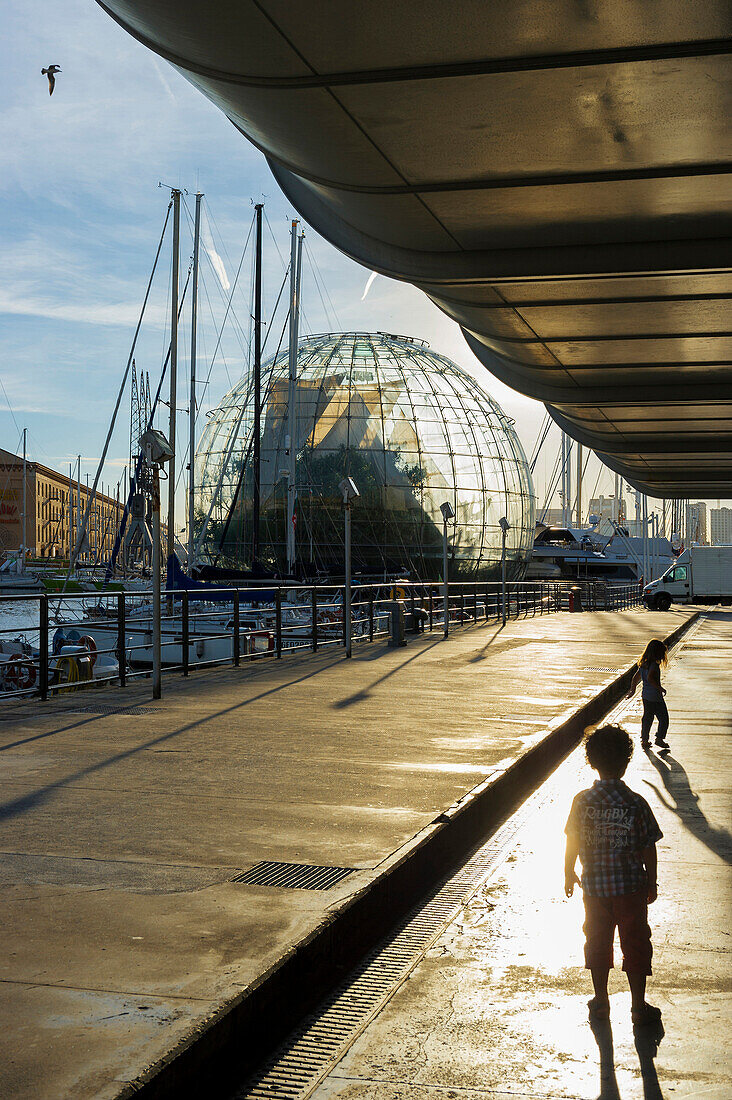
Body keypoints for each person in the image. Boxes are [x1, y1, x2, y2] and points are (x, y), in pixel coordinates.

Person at [565, 725, 663, 1025]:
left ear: (591, 761)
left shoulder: (582, 801)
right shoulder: (636, 803)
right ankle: (637, 1004)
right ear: (626, 762)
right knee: (634, 941)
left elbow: (572, 841)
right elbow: (648, 847)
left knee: (596, 939)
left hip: (594, 887)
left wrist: (568, 872)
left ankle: (600, 999)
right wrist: (651, 880)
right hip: (631, 888)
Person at [628, 639, 669, 749]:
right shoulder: (654, 665)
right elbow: (650, 678)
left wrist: (632, 690)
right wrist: (660, 688)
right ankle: (659, 738)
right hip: (655, 697)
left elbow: (635, 678)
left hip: (645, 696)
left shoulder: (643, 664)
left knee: (647, 718)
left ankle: (645, 740)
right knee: (664, 718)